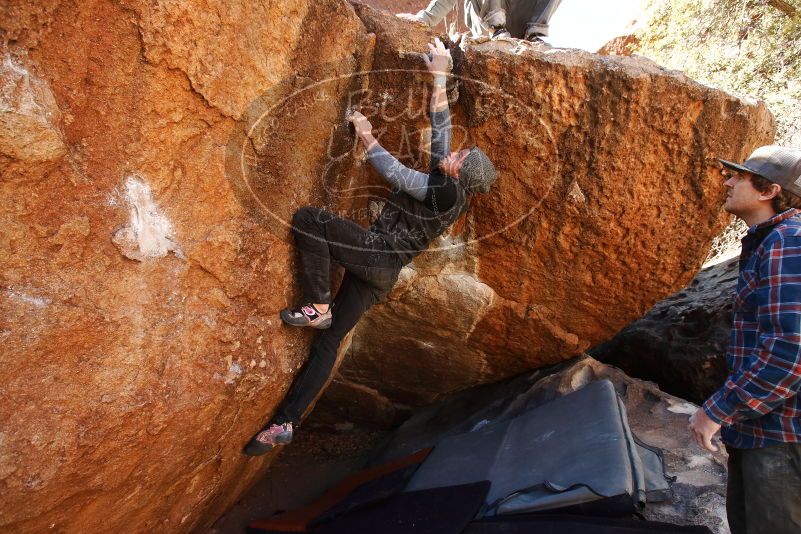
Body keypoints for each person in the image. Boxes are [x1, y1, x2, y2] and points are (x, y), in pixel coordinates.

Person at [244, 38, 497, 456]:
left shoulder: (447, 192)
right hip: (381, 273)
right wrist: (440, 77)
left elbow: (395, 173)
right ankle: (285, 423)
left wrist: (366, 135)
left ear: (461, 172)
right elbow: (441, 129)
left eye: (460, 155)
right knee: (328, 344)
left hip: (378, 254)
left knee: (309, 220)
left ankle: (318, 304)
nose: (453, 152)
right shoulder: (450, 183)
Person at [688, 145, 801, 534]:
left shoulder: (789, 242)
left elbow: (790, 351)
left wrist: (718, 410)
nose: (728, 181)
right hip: (764, 431)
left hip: (781, 437)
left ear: (769, 190)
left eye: (739, 176)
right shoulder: (771, 240)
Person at [397, 0, 562, 43]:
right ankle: (497, 28)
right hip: (486, 19)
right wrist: (426, 18)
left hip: (521, 23)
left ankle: (534, 35)